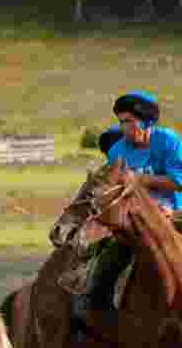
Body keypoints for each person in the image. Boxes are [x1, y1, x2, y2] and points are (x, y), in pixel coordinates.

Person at [73, 91, 182, 321]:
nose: (123, 128)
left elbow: (178, 182)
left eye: (128, 121)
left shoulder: (168, 141)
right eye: (120, 122)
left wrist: (138, 180)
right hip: (133, 222)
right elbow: (115, 194)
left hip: (174, 214)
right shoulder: (116, 152)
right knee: (109, 258)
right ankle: (95, 305)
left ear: (146, 121)